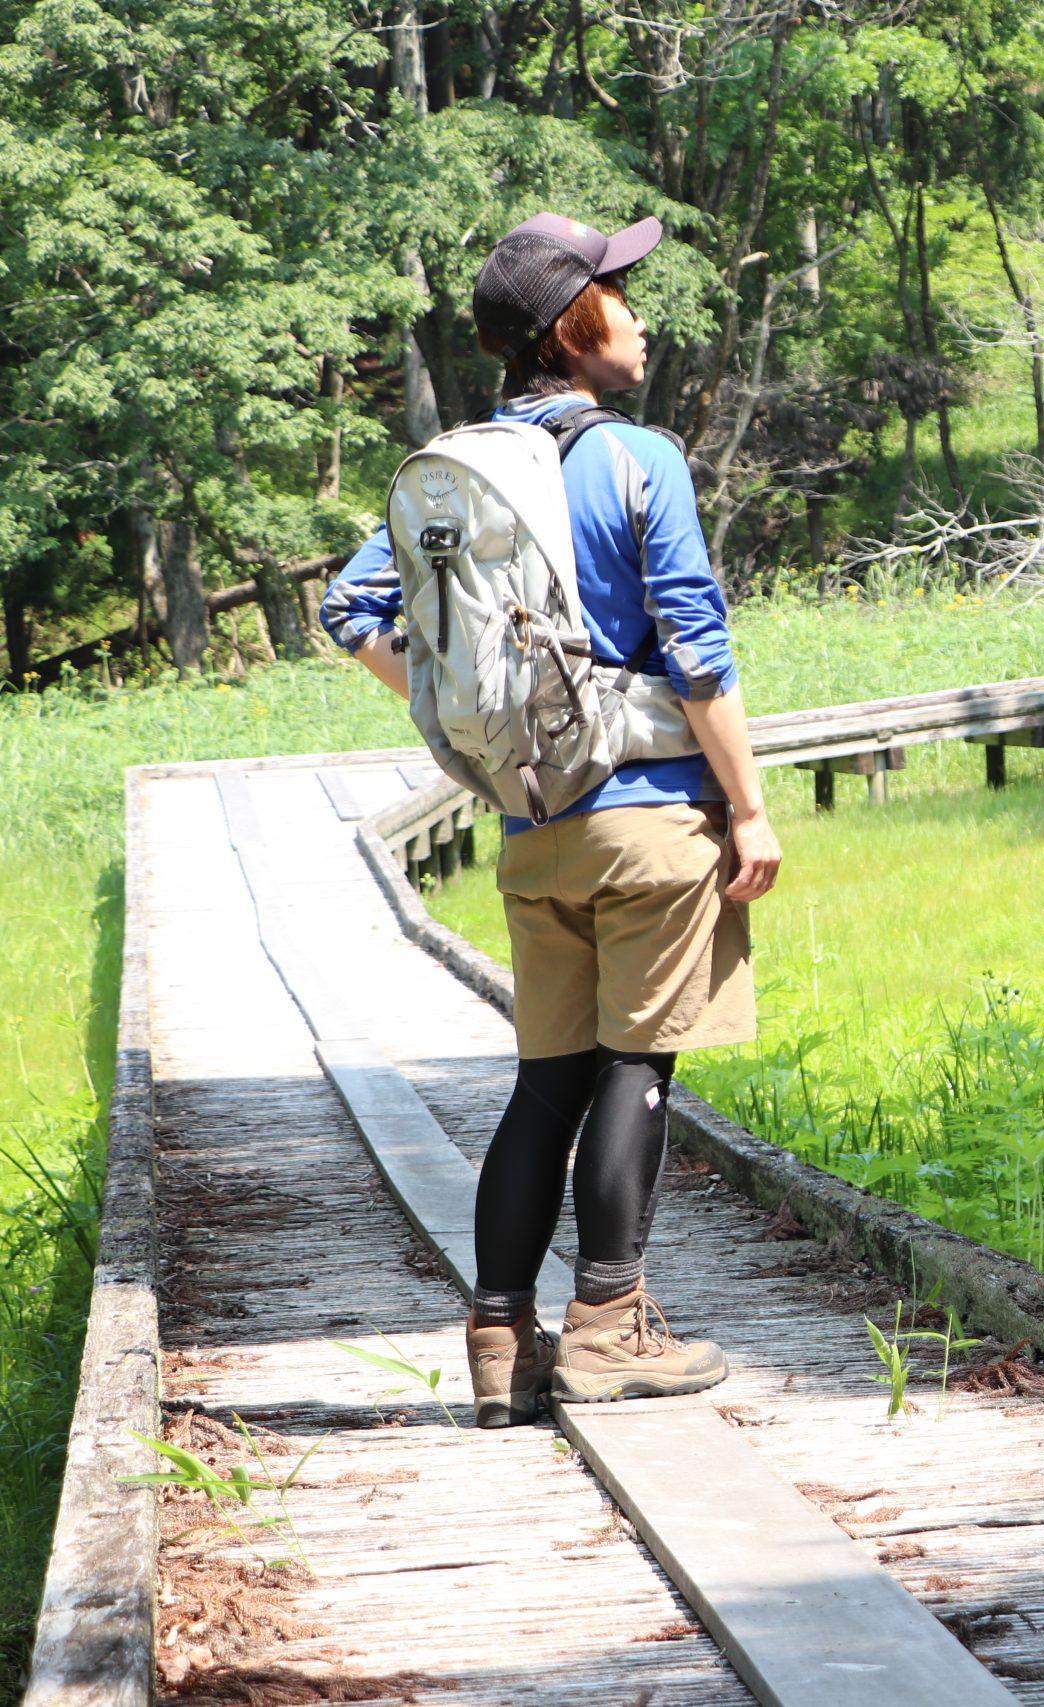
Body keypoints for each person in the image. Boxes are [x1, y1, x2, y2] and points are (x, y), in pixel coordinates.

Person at [320, 213, 783, 1427]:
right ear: (572, 329)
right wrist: (749, 807)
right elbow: (694, 647)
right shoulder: (639, 458)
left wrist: (482, 732)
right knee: (637, 1069)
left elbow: (350, 606)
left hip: (533, 827)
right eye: (620, 298)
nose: (640, 320)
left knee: (546, 1083)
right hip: (649, 818)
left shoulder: (458, 468)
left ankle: (497, 1336)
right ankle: (609, 1327)